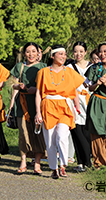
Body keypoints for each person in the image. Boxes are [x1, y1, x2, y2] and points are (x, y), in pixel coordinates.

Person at [35, 45, 85, 179]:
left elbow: (74, 91)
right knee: (50, 140)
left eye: (64, 54)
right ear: (53, 56)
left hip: (64, 106)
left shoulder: (69, 72)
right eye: (60, 54)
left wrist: (76, 106)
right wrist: (38, 113)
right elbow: (39, 93)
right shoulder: (43, 72)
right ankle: (54, 168)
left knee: (62, 136)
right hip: (48, 105)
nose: (63, 56)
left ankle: (63, 165)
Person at [10, 42, 47, 175]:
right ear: (24, 53)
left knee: (38, 133)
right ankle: (23, 161)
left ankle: (37, 164)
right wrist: (19, 87)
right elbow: (12, 84)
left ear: (38, 53)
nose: (30, 54)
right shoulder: (20, 66)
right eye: (27, 51)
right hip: (22, 103)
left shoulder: (43, 67)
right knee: (23, 133)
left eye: (33, 51)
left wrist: (35, 90)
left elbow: (47, 85)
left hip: (38, 104)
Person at [66, 41, 93, 172]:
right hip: (74, 100)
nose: (78, 54)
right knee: (76, 132)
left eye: (81, 51)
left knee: (87, 132)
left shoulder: (93, 66)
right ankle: (81, 161)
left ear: (86, 52)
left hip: (89, 101)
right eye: (76, 51)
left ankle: (89, 159)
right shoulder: (69, 67)